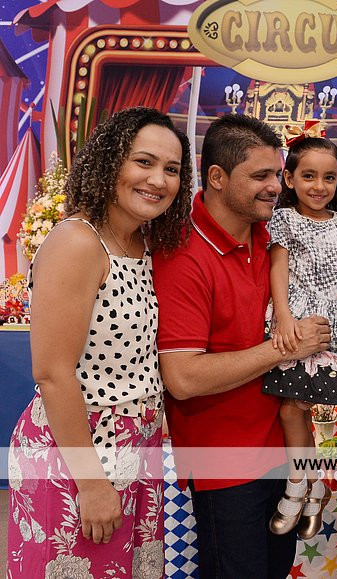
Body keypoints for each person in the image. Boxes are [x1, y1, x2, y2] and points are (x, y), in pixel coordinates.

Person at [6, 107, 193, 577]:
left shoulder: (143, 244)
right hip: (79, 453)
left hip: (136, 452)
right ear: (110, 162)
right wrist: (91, 484)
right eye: (144, 162)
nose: (158, 180)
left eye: (172, 169)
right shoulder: (78, 242)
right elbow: (52, 373)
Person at [152, 114, 331, 578]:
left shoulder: (270, 238)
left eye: (277, 174)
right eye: (260, 176)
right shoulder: (183, 253)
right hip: (225, 464)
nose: (275, 186)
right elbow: (183, 378)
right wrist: (286, 348)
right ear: (217, 177)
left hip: (281, 451)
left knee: (275, 569)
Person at [262, 133, 337, 538]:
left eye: (329, 178)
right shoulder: (284, 219)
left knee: (297, 408)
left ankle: (304, 486)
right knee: (291, 408)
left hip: (334, 325)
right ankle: (307, 486)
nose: (319, 186)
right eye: (309, 176)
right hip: (297, 318)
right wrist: (282, 315)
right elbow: (278, 268)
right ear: (289, 179)